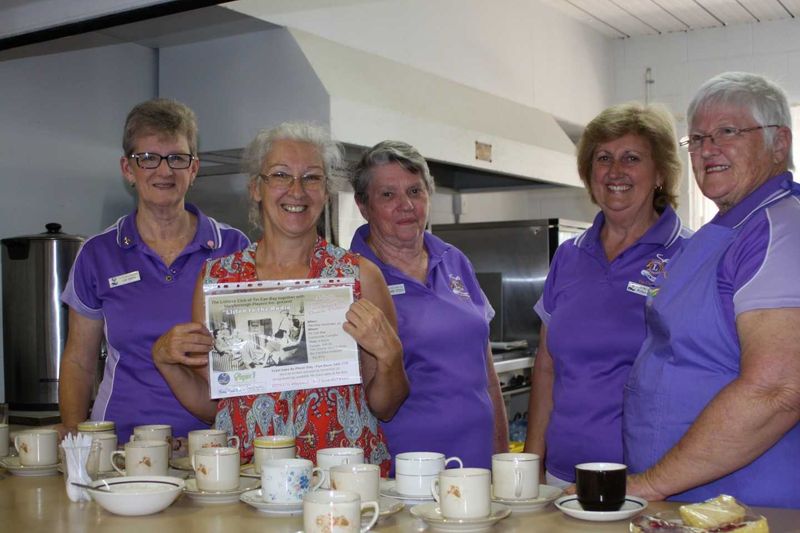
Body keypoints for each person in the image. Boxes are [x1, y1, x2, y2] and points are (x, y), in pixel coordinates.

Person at [152, 123, 408, 474]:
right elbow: (218, 405)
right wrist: (165, 360)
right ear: (256, 188)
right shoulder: (218, 281)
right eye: (281, 175)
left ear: (326, 191)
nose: (296, 190)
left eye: (312, 178)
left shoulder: (359, 277)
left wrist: (391, 356)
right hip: (250, 477)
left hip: (343, 478)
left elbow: (386, 407)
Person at [624, 72, 800, 508]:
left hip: (750, 504)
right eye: (697, 138)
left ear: (780, 143)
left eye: (728, 131)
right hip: (691, 498)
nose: (707, 149)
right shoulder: (725, 230)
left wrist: (649, 484)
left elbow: (778, 391)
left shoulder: (783, 229)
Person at [58, 98, 250, 442]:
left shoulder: (233, 248)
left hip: (216, 446)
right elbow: (78, 360)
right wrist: (74, 437)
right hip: (120, 446)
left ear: (194, 169)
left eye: (177, 158)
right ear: (128, 169)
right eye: (147, 159)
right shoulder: (98, 254)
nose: (164, 171)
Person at [523, 103, 691, 488]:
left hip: (646, 479)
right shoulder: (569, 255)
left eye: (632, 158)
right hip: (561, 475)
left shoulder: (687, 255)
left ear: (661, 173)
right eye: (603, 158)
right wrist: (532, 464)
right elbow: (547, 364)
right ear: (589, 173)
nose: (616, 171)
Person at [348, 140, 508, 470]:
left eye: (415, 191)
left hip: (477, 460)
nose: (406, 205)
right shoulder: (351, 276)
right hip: (409, 466)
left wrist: (502, 457)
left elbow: (487, 374)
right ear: (364, 206)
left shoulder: (454, 260)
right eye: (388, 195)